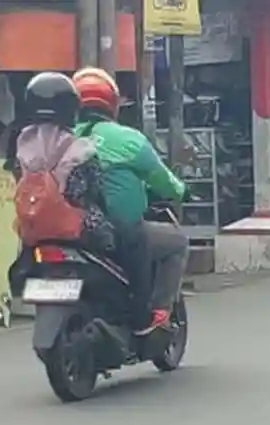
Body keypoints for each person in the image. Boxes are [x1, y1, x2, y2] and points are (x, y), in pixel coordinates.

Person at [71, 67, 188, 335]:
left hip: (72, 230)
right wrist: (183, 192)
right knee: (177, 242)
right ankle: (156, 312)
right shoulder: (129, 139)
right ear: (112, 103)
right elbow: (162, 179)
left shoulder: (62, 138)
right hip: (116, 229)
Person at [7, 72, 115, 298]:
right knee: (117, 240)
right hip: (76, 229)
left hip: (33, 228)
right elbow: (94, 190)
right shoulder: (80, 149)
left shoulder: (21, 145)